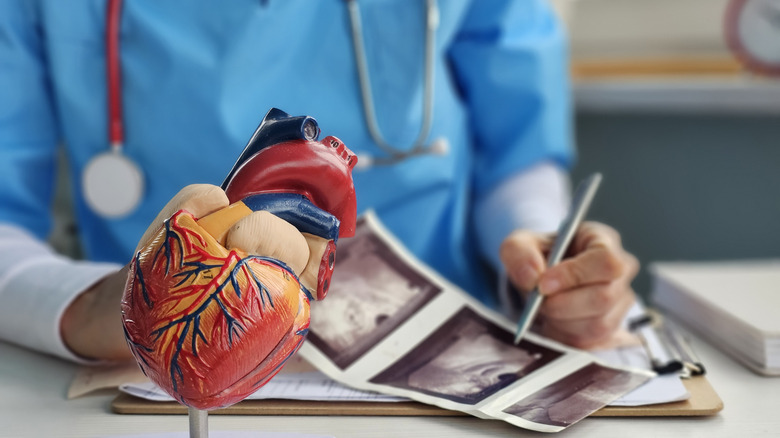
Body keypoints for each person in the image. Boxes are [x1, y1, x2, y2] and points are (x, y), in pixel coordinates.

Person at [0, 0, 637, 363]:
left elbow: (515, 144)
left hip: (448, 340)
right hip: (149, 363)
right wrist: (85, 310)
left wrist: (537, 258)